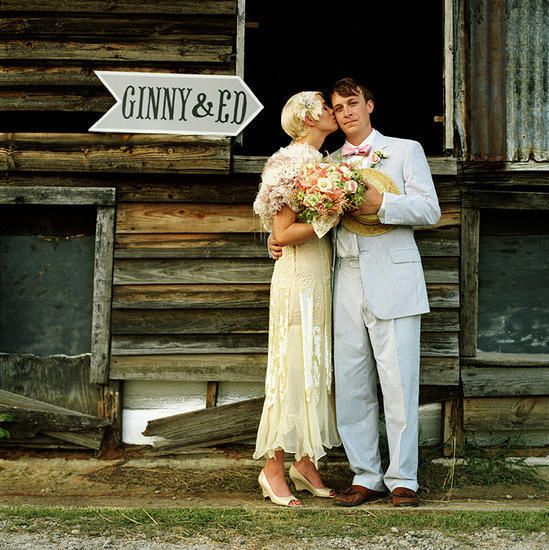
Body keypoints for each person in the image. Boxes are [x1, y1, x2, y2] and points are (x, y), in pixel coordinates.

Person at [269, 78, 441, 507]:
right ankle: (365, 476)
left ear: (369, 104)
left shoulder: (406, 150)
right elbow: (297, 219)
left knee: (399, 384)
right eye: (338, 106)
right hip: (344, 277)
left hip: (395, 278)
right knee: (350, 383)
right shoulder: (325, 164)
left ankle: (404, 479)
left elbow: (430, 210)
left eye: (352, 103)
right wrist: (274, 239)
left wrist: (383, 205)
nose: (345, 112)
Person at [252, 91, 341, 507]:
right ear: (306, 116)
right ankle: (272, 468)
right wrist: (332, 214)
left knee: (314, 364)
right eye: (325, 106)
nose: (333, 112)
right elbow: (284, 234)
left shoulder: (325, 164)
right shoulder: (289, 161)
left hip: (320, 273)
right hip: (296, 276)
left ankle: (305, 462)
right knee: (291, 366)